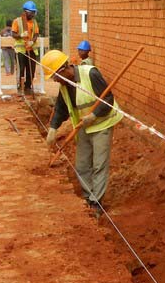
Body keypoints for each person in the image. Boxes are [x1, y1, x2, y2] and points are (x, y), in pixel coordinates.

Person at [40, 49, 122, 215]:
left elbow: (108, 99)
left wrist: (94, 115)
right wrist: (53, 128)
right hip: (84, 127)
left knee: (99, 164)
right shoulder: (65, 86)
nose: (55, 81)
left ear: (63, 71)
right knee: (82, 165)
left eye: (55, 76)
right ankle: (87, 196)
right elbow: (61, 108)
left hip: (102, 123)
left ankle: (96, 204)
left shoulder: (90, 73)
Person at [12, 1, 40, 93]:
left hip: (31, 49)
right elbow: (13, 34)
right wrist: (21, 35)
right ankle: (20, 87)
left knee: (31, 69)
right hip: (20, 50)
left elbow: (36, 34)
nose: (33, 14)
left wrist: (32, 41)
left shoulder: (34, 22)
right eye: (31, 12)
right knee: (21, 69)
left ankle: (28, 87)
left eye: (33, 12)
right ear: (25, 11)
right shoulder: (17, 21)